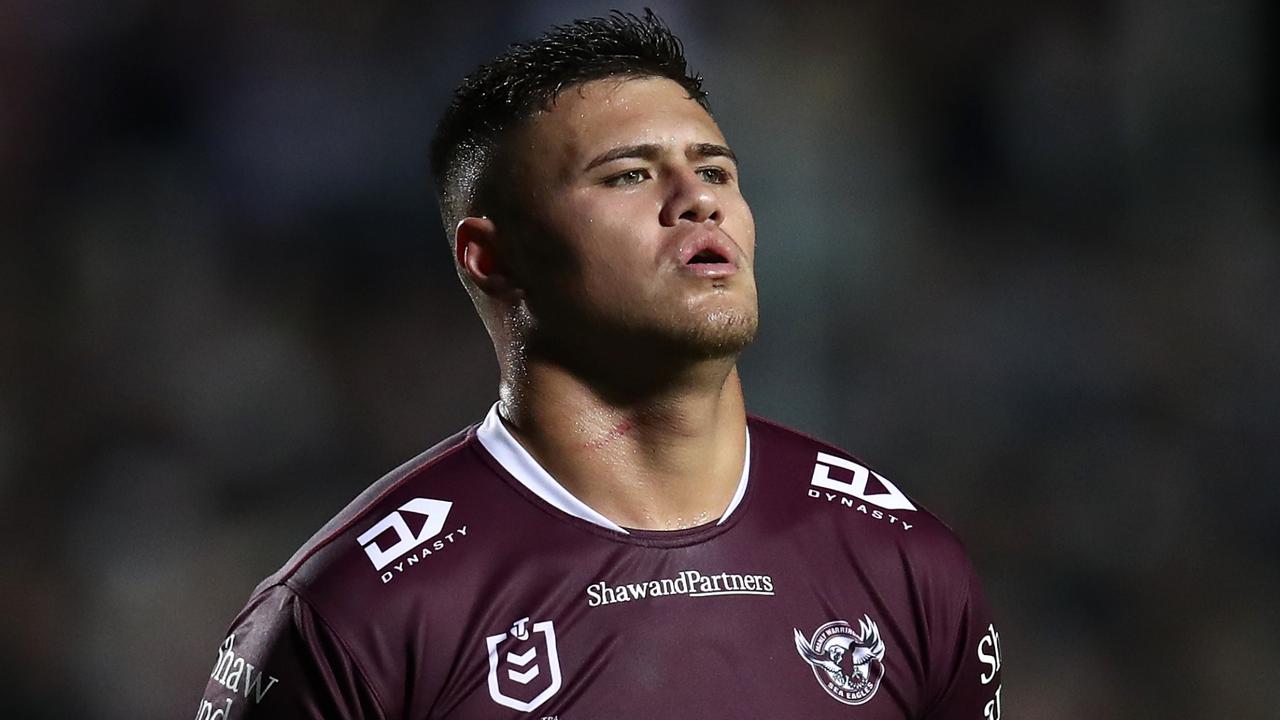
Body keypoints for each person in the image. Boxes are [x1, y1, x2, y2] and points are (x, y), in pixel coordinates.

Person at [194, 10, 1002, 719]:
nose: (698, 199)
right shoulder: (356, 614)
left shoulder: (901, 560)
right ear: (491, 258)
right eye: (630, 175)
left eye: (716, 169)